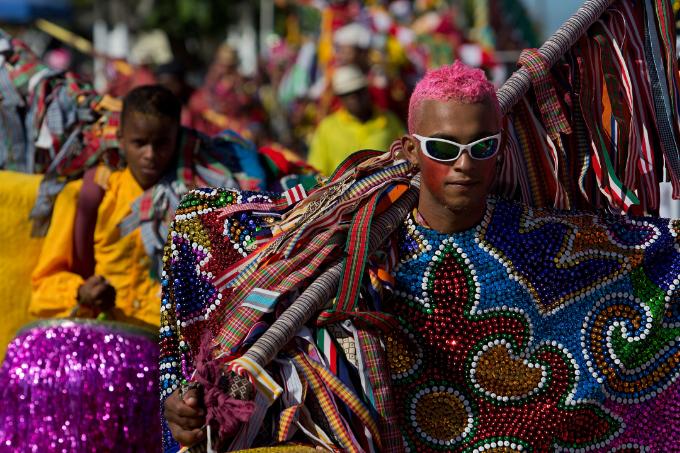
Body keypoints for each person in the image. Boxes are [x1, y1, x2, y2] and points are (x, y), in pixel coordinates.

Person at [161, 62, 679, 452]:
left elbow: (645, 249)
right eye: (443, 148)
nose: (463, 164)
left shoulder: (539, 241)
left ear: (501, 148)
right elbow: (202, 229)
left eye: (481, 147)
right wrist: (177, 395)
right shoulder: (353, 243)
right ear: (410, 150)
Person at [30, 85, 235, 327]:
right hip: (100, 336)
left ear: (177, 141)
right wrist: (81, 292)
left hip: (165, 344)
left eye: (161, 144)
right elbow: (43, 287)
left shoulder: (198, 205)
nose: (150, 154)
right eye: (140, 143)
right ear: (121, 139)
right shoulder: (88, 196)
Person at [307, 64, 405, 176]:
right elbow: (316, 171)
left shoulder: (390, 120)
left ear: (367, 90)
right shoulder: (327, 127)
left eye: (358, 91)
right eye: (348, 94)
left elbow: (404, 156)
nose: (354, 98)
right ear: (340, 98)